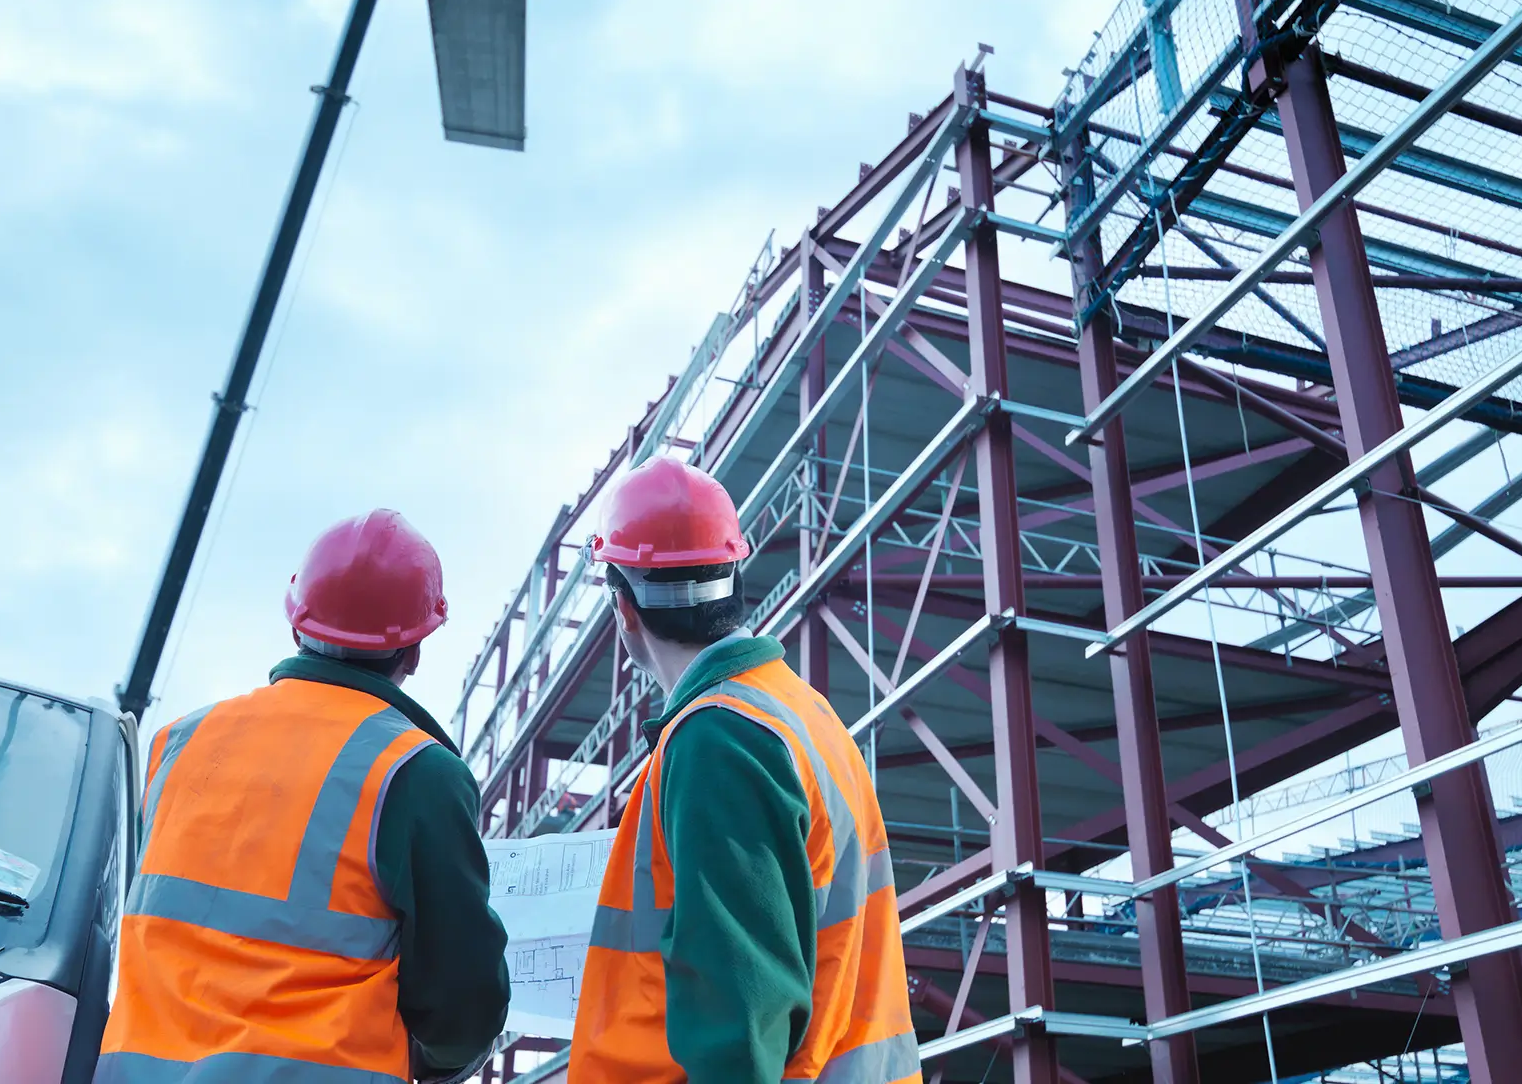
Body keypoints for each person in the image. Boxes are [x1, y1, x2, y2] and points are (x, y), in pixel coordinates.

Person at [99, 509, 510, 1083]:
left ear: (296, 625)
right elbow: (462, 1005)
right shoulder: (415, 773)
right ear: (414, 651)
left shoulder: (176, 743)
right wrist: (434, 1059)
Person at [568, 457, 919, 1084]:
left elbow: (741, 1011)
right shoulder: (802, 714)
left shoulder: (718, 738)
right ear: (734, 577)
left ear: (622, 610)